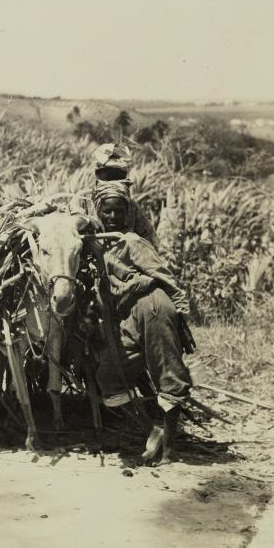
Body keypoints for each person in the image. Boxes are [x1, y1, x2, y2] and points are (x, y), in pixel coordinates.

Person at [91, 181, 193, 465]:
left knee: (167, 374)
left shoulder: (132, 241)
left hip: (154, 306)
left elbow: (165, 277)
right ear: (98, 211)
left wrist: (181, 316)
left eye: (119, 211)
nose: (112, 217)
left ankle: (170, 453)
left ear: (128, 212)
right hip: (131, 314)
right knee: (109, 377)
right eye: (107, 211)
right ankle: (153, 429)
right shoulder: (100, 244)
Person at [92, 143, 158, 246]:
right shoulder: (84, 202)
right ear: (98, 175)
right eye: (108, 173)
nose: (113, 179)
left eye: (117, 174)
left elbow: (148, 238)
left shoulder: (131, 207)